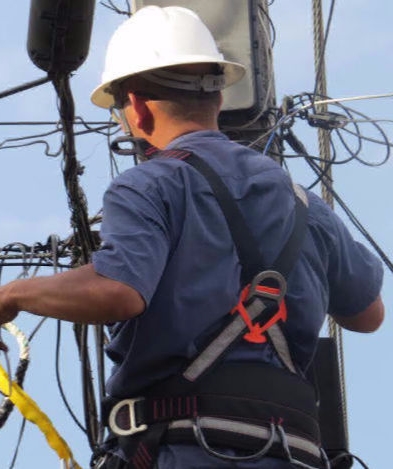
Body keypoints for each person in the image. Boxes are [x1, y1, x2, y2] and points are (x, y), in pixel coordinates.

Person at [0, 5, 384, 469]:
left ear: (136, 108)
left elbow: (119, 291)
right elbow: (368, 314)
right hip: (295, 452)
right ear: (219, 99)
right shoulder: (303, 202)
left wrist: (14, 293)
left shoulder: (150, 184)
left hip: (187, 448)